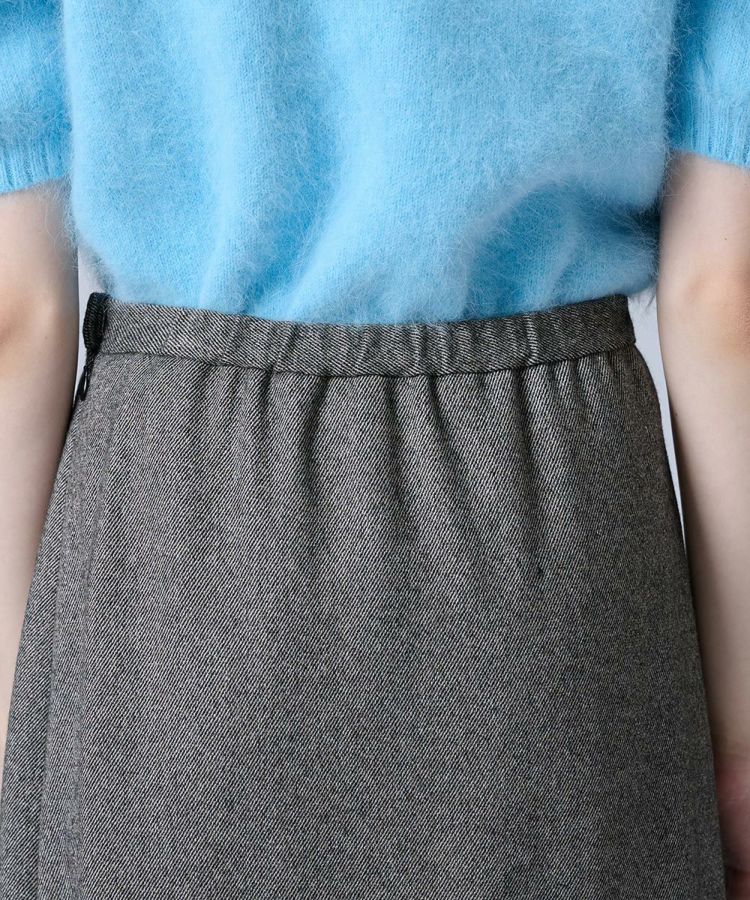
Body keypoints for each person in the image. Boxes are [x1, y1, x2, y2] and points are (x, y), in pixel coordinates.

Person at [0, 1, 748, 897]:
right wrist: (738, 750)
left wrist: (23, 734)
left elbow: (15, 314)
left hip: (166, 552)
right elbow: (723, 297)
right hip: (549, 540)